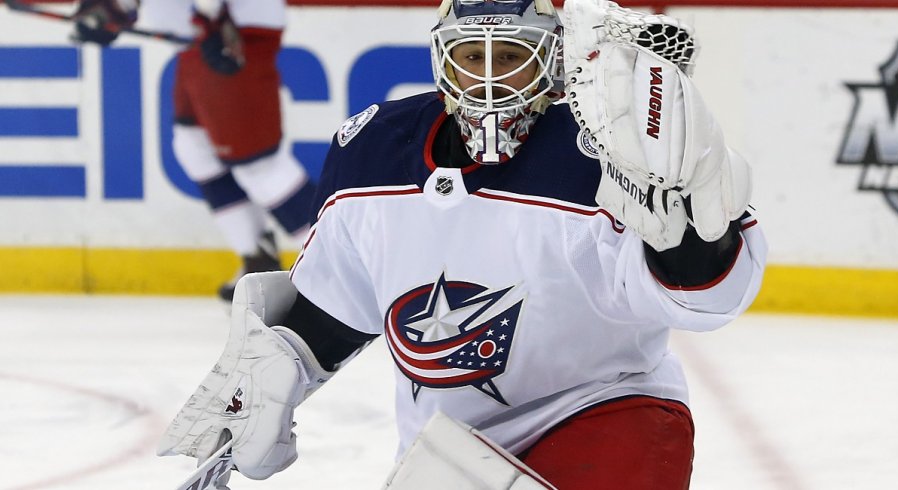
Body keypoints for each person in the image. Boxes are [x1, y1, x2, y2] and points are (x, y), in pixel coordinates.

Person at [157, 0, 767, 488]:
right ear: (441, 60)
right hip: (450, 448)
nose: (489, 78)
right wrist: (279, 368)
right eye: (472, 55)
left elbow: (709, 301)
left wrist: (685, 232)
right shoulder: (374, 153)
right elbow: (338, 304)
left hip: (604, 415)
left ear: (551, 64)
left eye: (512, 57)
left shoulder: (604, 156)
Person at [71, 0, 317, 301]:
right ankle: (257, 261)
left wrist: (213, 18)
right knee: (195, 146)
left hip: (232, 34)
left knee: (259, 166)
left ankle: (338, 263)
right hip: (197, 40)